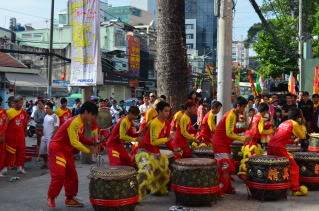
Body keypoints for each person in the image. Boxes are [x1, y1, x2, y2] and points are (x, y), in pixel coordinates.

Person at [47, 102, 99, 208]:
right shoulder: (75, 122)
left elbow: (79, 137)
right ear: (85, 112)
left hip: (66, 150)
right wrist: (89, 151)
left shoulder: (81, 121)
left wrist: (92, 142)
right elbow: (74, 142)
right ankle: (51, 197)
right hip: (57, 149)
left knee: (72, 175)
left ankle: (70, 199)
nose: (93, 118)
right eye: (93, 115)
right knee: (59, 175)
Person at [212, 96, 251, 194]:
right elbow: (229, 133)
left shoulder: (233, 114)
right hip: (220, 144)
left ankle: (227, 188)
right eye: (243, 107)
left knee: (227, 167)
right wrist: (242, 138)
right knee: (225, 167)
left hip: (223, 144)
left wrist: (242, 129)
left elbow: (231, 130)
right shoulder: (232, 115)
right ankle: (222, 189)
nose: (244, 109)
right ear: (238, 106)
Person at [136, 101, 174, 200]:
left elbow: (167, 139)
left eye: (169, 111)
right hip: (144, 150)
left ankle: (157, 190)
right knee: (145, 173)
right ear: (159, 111)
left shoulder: (167, 123)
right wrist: (167, 139)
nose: (168, 113)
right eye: (165, 111)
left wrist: (174, 149)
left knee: (164, 171)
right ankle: (136, 196)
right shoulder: (154, 123)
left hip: (154, 151)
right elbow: (154, 141)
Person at [267, 108, 308, 196]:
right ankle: (295, 189)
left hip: (270, 146)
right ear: (298, 117)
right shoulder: (295, 123)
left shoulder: (284, 123)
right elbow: (303, 136)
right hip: (278, 148)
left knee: (273, 167)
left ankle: (273, 186)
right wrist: (303, 124)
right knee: (294, 167)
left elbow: (281, 137)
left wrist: (293, 141)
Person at [238, 103, 274, 177]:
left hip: (248, 138)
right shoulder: (260, 118)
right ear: (265, 111)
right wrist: (272, 131)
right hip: (253, 141)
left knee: (246, 157)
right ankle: (249, 175)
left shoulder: (254, 116)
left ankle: (243, 172)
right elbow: (261, 131)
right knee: (251, 158)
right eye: (266, 112)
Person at [1, 96, 28, 175]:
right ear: (14, 103)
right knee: (8, 153)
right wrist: (3, 134)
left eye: (20, 102)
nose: (19, 104)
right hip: (11, 137)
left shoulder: (24, 112)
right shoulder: (8, 112)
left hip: (20, 137)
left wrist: (25, 132)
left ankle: (20, 167)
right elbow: (4, 125)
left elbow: (24, 124)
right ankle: (4, 167)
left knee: (21, 152)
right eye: (17, 102)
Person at [39, 102, 59, 169]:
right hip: (44, 137)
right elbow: (44, 126)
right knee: (42, 152)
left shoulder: (55, 117)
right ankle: (45, 163)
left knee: (50, 153)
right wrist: (42, 134)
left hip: (51, 137)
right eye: (45, 108)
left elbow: (56, 128)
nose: (45, 109)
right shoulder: (46, 116)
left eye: (47, 108)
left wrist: (53, 137)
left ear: (51, 108)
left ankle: (51, 165)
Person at [0, 97, 8, 177]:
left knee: (1, 153)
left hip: (1, 136)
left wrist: (2, 135)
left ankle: (1, 169)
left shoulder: (3, 112)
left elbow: (5, 125)